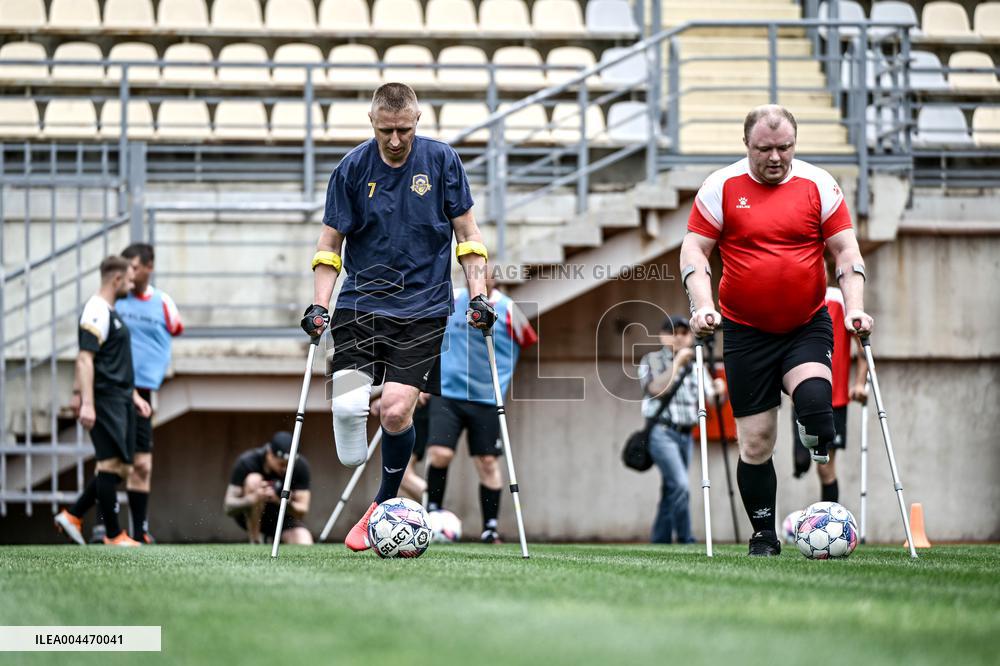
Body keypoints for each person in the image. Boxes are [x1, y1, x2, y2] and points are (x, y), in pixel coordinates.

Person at [300, 82, 494, 552]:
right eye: (386, 130)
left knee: (393, 411)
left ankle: (381, 507)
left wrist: (479, 297)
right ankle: (352, 434)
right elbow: (330, 246)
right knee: (348, 405)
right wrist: (319, 306)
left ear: (417, 122)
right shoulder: (351, 169)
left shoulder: (443, 161)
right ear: (372, 122)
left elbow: (468, 236)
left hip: (423, 310)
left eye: (404, 130)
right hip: (359, 306)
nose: (395, 140)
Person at [679, 104, 873, 556]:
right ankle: (764, 535)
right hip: (746, 333)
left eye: (784, 147)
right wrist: (703, 306)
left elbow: (846, 252)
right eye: (764, 149)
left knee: (816, 410)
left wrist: (856, 309)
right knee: (756, 442)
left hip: (806, 325)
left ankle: (814, 436)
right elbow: (694, 251)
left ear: (794, 144)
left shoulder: (818, 184)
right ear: (747, 145)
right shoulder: (721, 187)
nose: (775, 157)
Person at [424, 282, 537, 543]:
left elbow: (527, 339)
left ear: (493, 280)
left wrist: (503, 369)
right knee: (440, 453)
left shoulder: (509, 309)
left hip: (486, 398)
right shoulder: (452, 299)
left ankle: (490, 528)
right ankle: (433, 514)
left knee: (487, 462)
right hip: (448, 393)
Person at [87, 243, 182, 544]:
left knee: (140, 463)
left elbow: (177, 328)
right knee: (112, 459)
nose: (130, 272)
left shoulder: (163, 301)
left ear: (148, 267)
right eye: (126, 267)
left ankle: (139, 529)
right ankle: (103, 526)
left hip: (144, 390)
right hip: (116, 389)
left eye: (135, 266)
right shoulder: (114, 302)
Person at [54, 256, 152, 547]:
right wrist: (86, 402)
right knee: (110, 465)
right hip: (106, 399)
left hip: (120, 398)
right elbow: (85, 358)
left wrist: (133, 395)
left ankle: (72, 515)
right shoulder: (96, 310)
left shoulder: (110, 311)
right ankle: (113, 534)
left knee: (122, 467)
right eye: (129, 280)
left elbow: (113, 360)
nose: (132, 285)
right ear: (116, 280)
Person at [638, 315, 726, 544]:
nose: (678, 337)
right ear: (663, 335)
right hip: (661, 432)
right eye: (673, 332)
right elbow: (655, 389)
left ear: (690, 336)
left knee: (671, 488)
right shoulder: (652, 360)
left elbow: (714, 401)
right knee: (680, 485)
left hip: (686, 434)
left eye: (684, 332)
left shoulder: (698, 364)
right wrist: (677, 365)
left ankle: (660, 540)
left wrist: (720, 390)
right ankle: (686, 538)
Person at [791, 272, 868, 501]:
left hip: (835, 399)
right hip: (801, 395)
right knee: (801, 462)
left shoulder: (839, 299)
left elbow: (862, 349)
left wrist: (859, 384)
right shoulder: (796, 299)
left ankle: (830, 523)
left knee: (825, 468)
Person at [224, 432, 313, 545]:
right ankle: (255, 540)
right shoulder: (248, 462)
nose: (285, 469)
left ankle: (274, 539)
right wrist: (253, 498)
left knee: (304, 540)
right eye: (281, 464)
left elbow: (302, 510)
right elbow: (228, 507)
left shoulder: (300, 466)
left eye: (289, 465)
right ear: (270, 454)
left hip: (282, 518)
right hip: (250, 516)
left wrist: (281, 501)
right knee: (254, 480)